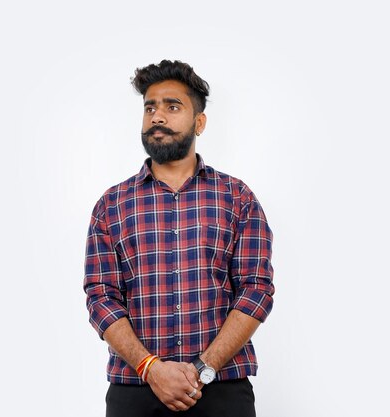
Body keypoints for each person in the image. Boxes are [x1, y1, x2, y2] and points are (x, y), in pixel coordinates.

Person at [83, 59, 275, 417]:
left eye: (173, 107)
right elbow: (100, 296)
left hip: (222, 391)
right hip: (135, 392)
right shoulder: (111, 206)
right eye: (150, 107)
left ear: (199, 122)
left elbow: (256, 289)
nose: (158, 116)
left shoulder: (237, 198)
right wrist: (150, 368)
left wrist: (203, 368)